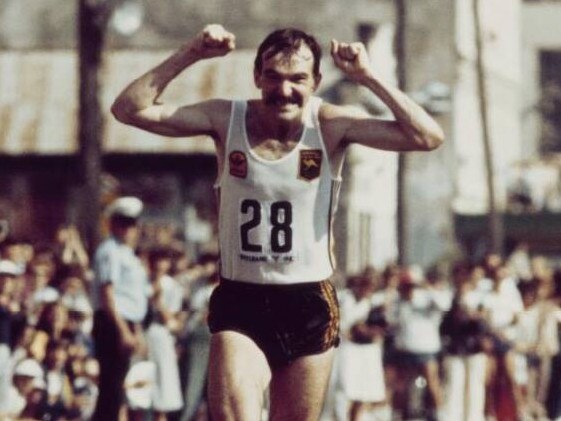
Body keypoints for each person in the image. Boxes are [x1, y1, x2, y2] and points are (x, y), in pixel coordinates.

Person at [111, 24, 443, 421]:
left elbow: (427, 137)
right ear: (257, 76)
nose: (284, 90)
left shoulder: (331, 125)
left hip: (308, 301)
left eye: (298, 79)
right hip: (241, 299)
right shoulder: (226, 118)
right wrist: (192, 52)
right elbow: (128, 109)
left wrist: (367, 77)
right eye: (274, 77)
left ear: (316, 81)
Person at [91, 197, 151, 421]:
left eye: (132, 223)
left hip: (126, 322)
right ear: (113, 224)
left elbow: (132, 299)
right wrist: (122, 330)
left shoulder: (127, 254)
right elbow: (108, 294)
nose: (128, 229)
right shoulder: (109, 251)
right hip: (112, 322)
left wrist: (135, 330)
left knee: (118, 386)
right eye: (123, 223)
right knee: (111, 386)